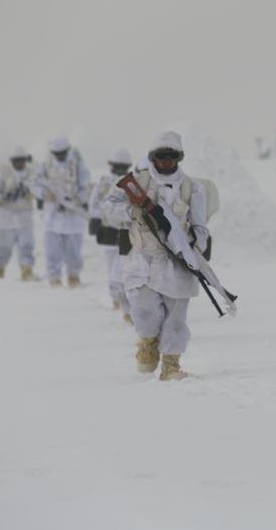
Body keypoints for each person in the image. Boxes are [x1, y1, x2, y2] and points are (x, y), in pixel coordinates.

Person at [104, 131, 209, 381]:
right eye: (161, 156)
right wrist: (132, 212)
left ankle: (171, 364)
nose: (166, 162)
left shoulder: (192, 188)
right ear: (152, 158)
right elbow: (108, 209)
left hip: (177, 261)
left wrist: (192, 245)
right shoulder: (134, 183)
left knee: (176, 318)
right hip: (142, 259)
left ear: (179, 158)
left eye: (171, 157)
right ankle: (148, 342)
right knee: (144, 313)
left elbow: (201, 227)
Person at [32, 137, 90, 287]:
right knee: (52, 252)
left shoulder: (78, 166)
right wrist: (44, 194)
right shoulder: (46, 165)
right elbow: (35, 184)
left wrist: (76, 200)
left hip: (73, 216)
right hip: (52, 217)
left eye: (62, 153)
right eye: (56, 153)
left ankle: (73, 277)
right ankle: (54, 279)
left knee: (74, 252)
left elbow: (85, 188)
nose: (59, 156)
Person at [89, 148, 133, 322]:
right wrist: (94, 219)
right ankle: (116, 298)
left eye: (123, 167)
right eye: (117, 166)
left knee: (123, 268)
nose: (120, 170)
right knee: (111, 266)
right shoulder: (104, 182)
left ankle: (127, 304)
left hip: (126, 230)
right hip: (108, 229)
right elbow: (95, 201)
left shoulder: (132, 182)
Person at [0, 146, 37, 280]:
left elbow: (37, 188)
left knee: (26, 246)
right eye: (16, 160)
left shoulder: (31, 173)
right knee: (3, 247)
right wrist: (3, 197)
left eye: (21, 160)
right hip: (5, 218)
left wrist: (27, 191)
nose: (19, 163)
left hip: (24, 218)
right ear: (12, 161)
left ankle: (27, 272)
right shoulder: (4, 173)